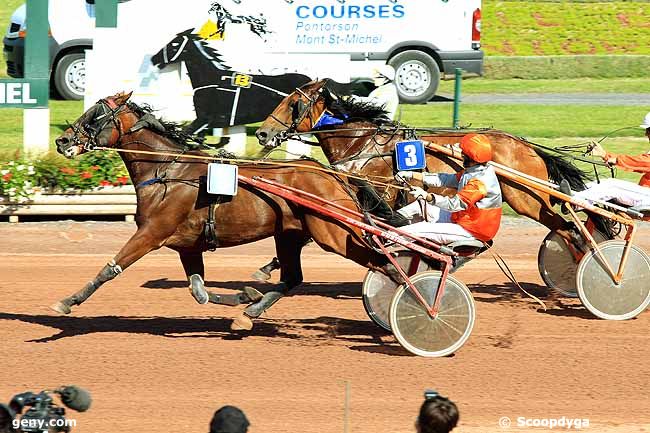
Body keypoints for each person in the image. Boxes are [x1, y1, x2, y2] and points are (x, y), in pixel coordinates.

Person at [395, 133, 502, 245]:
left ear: (471, 159)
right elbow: (444, 179)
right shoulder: (475, 170)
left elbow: (453, 205)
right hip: (463, 218)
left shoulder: (478, 183)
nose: (461, 155)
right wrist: (412, 175)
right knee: (420, 205)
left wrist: (427, 196)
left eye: (463, 154)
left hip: (472, 230)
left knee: (415, 230)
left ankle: (385, 241)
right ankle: (391, 220)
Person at [570, 112, 650, 209]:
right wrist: (604, 155)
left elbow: (644, 162)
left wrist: (617, 160)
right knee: (603, 182)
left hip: (647, 196)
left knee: (611, 186)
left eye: (648, 130)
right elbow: (640, 165)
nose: (646, 134)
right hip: (645, 193)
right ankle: (571, 192)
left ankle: (574, 202)